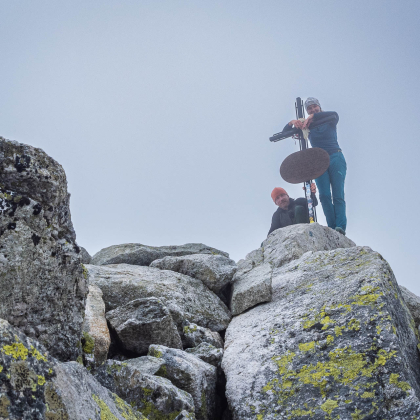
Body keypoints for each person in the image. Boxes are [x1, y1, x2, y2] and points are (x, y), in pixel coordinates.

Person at [283, 97, 347, 235]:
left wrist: (314, 116)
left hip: (335, 156)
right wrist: (292, 122)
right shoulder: (306, 126)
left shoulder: (329, 119)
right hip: (318, 162)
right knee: (324, 195)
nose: (312, 110)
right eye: (309, 109)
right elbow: (284, 133)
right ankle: (332, 227)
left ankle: (340, 227)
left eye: (314, 107)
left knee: (338, 193)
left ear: (319, 107)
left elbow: (335, 114)